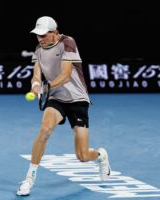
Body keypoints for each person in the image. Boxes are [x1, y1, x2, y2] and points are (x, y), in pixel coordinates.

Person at [16, 16, 111, 196]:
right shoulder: (38, 49)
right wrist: (36, 85)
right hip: (56, 98)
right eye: (38, 35)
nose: (40, 39)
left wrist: (47, 86)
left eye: (44, 35)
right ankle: (29, 179)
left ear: (54, 32)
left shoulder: (68, 42)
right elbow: (36, 74)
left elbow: (66, 75)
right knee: (44, 130)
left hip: (77, 99)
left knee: (82, 156)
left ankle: (100, 156)